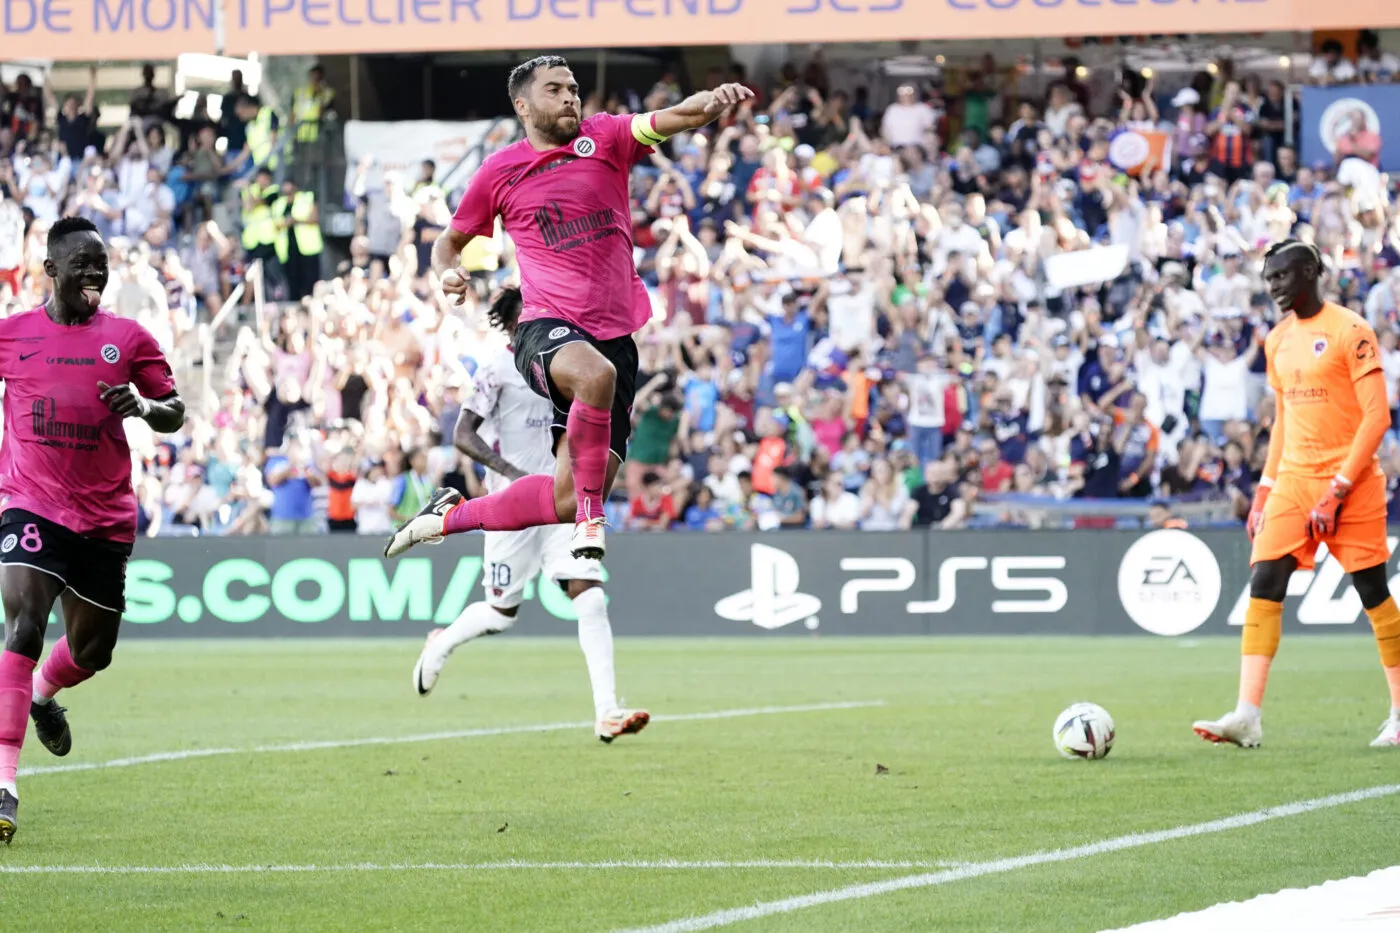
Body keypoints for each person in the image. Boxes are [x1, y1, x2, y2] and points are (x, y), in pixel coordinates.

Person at [385, 56, 753, 564]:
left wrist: (708, 106)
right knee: (593, 382)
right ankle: (592, 520)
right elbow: (449, 243)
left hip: (615, 339)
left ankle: (446, 517)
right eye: (554, 89)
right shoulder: (500, 170)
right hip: (546, 328)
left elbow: (677, 116)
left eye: (573, 88)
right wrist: (448, 272)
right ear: (522, 105)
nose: (569, 97)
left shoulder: (607, 137)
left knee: (564, 496)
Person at [0, 217, 185, 843]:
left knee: (93, 651)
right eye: (82, 263)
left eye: (101, 264)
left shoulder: (128, 338)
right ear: (50, 271)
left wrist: (145, 407)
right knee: (22, 623)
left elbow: (175, 411)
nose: (95, 274)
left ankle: (45, 696)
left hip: (103, 516)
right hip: (30, 502)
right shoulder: (13, 335)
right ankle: (4, 785)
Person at [411, 288, 648, 743]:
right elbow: (463, 433)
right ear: (513, 323)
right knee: (501, 614)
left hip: (564, 500)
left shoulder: (571, 357)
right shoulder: (497, 369)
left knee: (591, 597)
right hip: (512, 505)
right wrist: (511, 472)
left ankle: (607, 711)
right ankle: (440, 643)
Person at [1193, 241, 1400, 749]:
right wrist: (1265, 490)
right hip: (1293, 481)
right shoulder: (1277, 339)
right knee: (1265, 578)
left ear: (1310, 272)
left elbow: (1378, 418)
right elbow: (1285, 421)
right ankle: (1247, 715)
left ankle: (1399, 710)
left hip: (1350, 483)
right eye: (1268, 280)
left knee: (1373, 593)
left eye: (1281, 276)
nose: (1273, 287)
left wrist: (1338, 489)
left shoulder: (1350, 330)